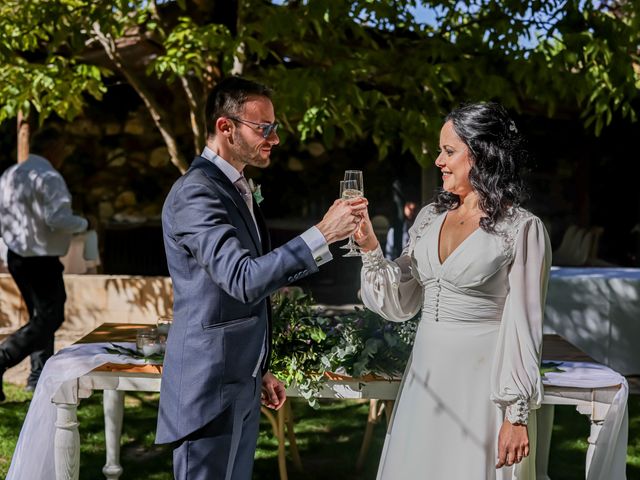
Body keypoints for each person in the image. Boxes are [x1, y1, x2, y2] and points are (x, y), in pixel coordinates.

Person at [155, 76, 366, 480]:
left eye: (275, 127)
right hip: (208, 392)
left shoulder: (235, 188)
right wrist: (322, 233)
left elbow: (234, 296)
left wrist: (258, 368)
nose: (275, 138)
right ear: (225, 127)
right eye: (263, 128)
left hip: (241, 382)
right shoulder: (196, 192)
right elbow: (242, 279)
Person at [354, 103, 551, 479]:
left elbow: (524, 326)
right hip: (426, 376)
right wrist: (369, 246)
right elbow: (399, 302)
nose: (438, 161)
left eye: (448, 151)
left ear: (480, 154)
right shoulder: (430, 218)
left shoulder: (521, 229)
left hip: (480, 384)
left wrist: (516, 414)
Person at [0, 127, 88, 401]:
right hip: (40, 260)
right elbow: (57, 218)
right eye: (63, 150)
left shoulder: (10, 174)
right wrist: (84, 223)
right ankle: (3, 358)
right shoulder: (49, 176)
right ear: (53, 149)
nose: (64, 156)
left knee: (40, 318)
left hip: (16, 256)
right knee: (51, 317)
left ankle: (37, 377)